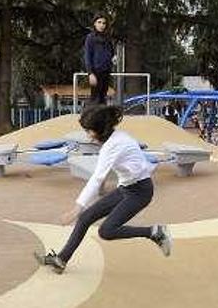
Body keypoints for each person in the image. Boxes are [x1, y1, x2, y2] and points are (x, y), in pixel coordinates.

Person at [35, 105, 172, 274]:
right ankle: (61, 259)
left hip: (140, 192)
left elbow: (97, 178)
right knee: (85, 218)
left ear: (100, 130)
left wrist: (77, 208)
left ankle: (154, 232)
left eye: (89, 131)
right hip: (126, 188)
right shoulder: (116, 138)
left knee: (106, 231)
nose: (88, 136)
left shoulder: (113, 146)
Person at [83, 15, 115, 105]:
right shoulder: (90, 37)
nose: (102, 25)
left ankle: (102, 117)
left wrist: (111, 60)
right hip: (96, 72)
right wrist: (90, 73)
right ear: (94, 23)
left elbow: (111, 53)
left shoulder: (108, 38)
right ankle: (91, 117)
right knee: (95, 98)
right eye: (99, 22)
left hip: (106, 71)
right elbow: (87, 56)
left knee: (103, 97)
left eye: (104, 23)